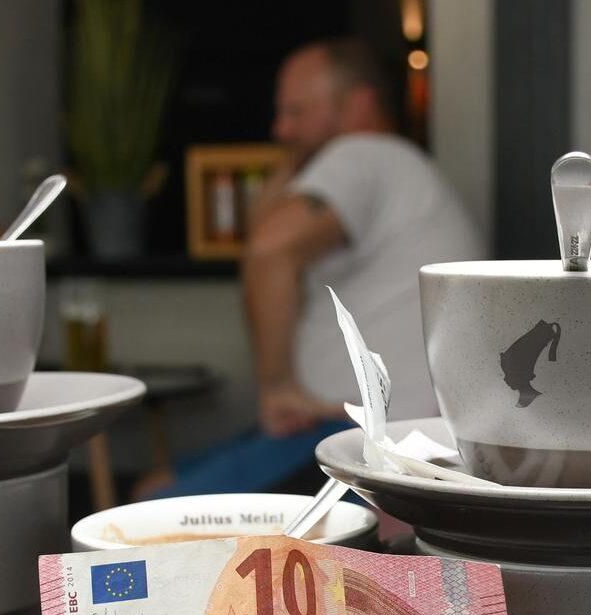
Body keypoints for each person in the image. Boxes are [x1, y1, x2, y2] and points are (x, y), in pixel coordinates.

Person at [139, 39, 482, 499]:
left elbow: (268, 251)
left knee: (155, 504)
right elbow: (263, 241)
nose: (280, 128)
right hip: (357, 427)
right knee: (156, 486)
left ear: (359, 105)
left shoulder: (364, 154)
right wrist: (296, 160)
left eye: (297, 111)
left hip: (362, 439)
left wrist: (277, 390)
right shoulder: (396, 168)